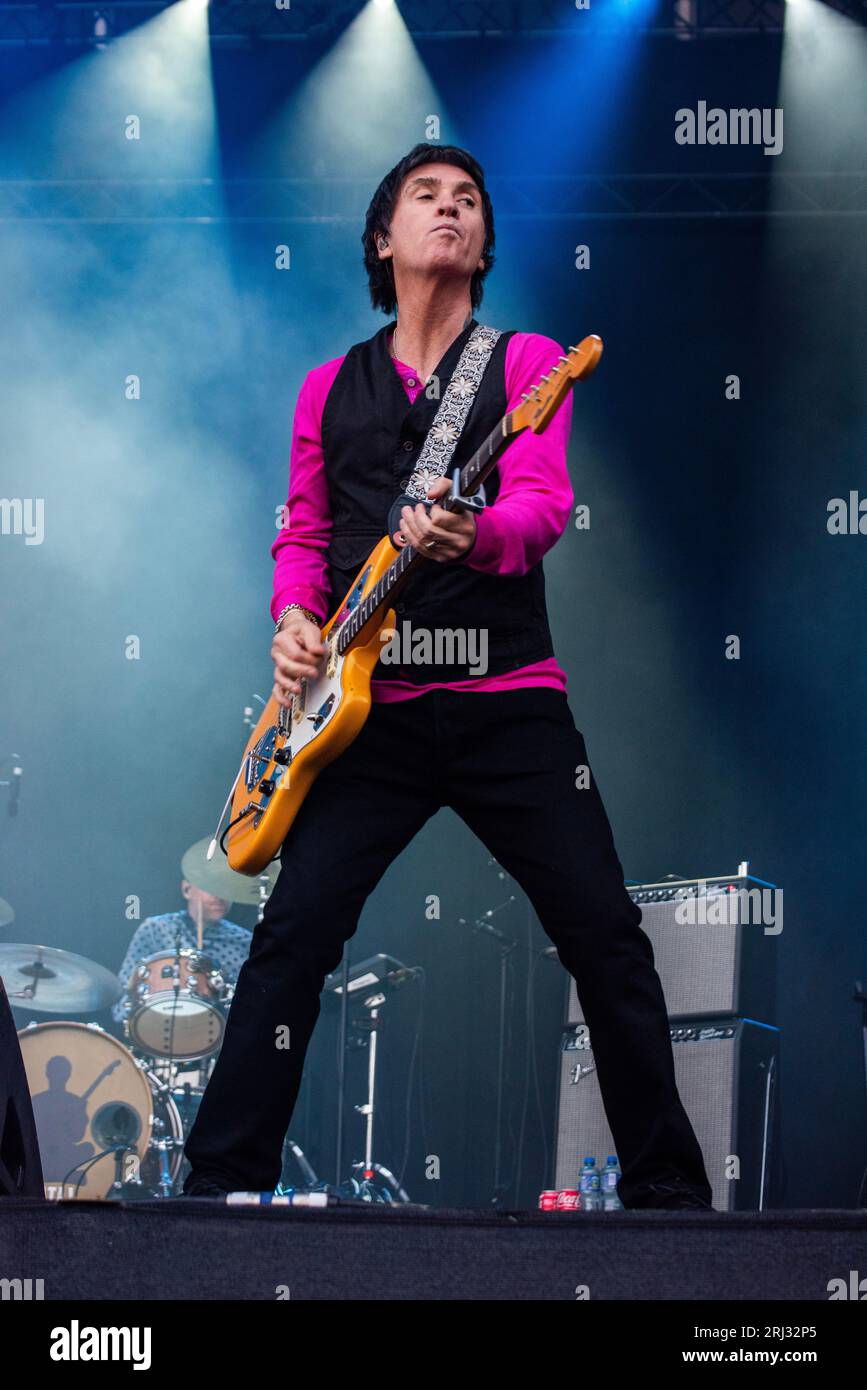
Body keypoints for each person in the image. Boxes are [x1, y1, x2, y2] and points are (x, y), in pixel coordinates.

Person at [182, 142, 714, 1210]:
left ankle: (671, 1201)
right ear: (384, 239)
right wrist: (292, 621)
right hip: (359, 717)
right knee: (289, 941)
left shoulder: (525, 365)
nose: (451, 209)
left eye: (468, 199)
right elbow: (303, 532)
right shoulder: (328, 388)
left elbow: (541, 508)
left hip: (504, 700)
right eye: (426, 196)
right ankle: (214, 1193)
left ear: (481, 245)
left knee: (605, 935)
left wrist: (466, 539)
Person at [112, 880, 251, 1028]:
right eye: (211, 884)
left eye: (228, 886)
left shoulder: (245, 941)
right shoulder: (157, 929)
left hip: (222, 1038)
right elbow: (125, 993)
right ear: (187, 889)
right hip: (159, 1030)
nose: (220, 895)